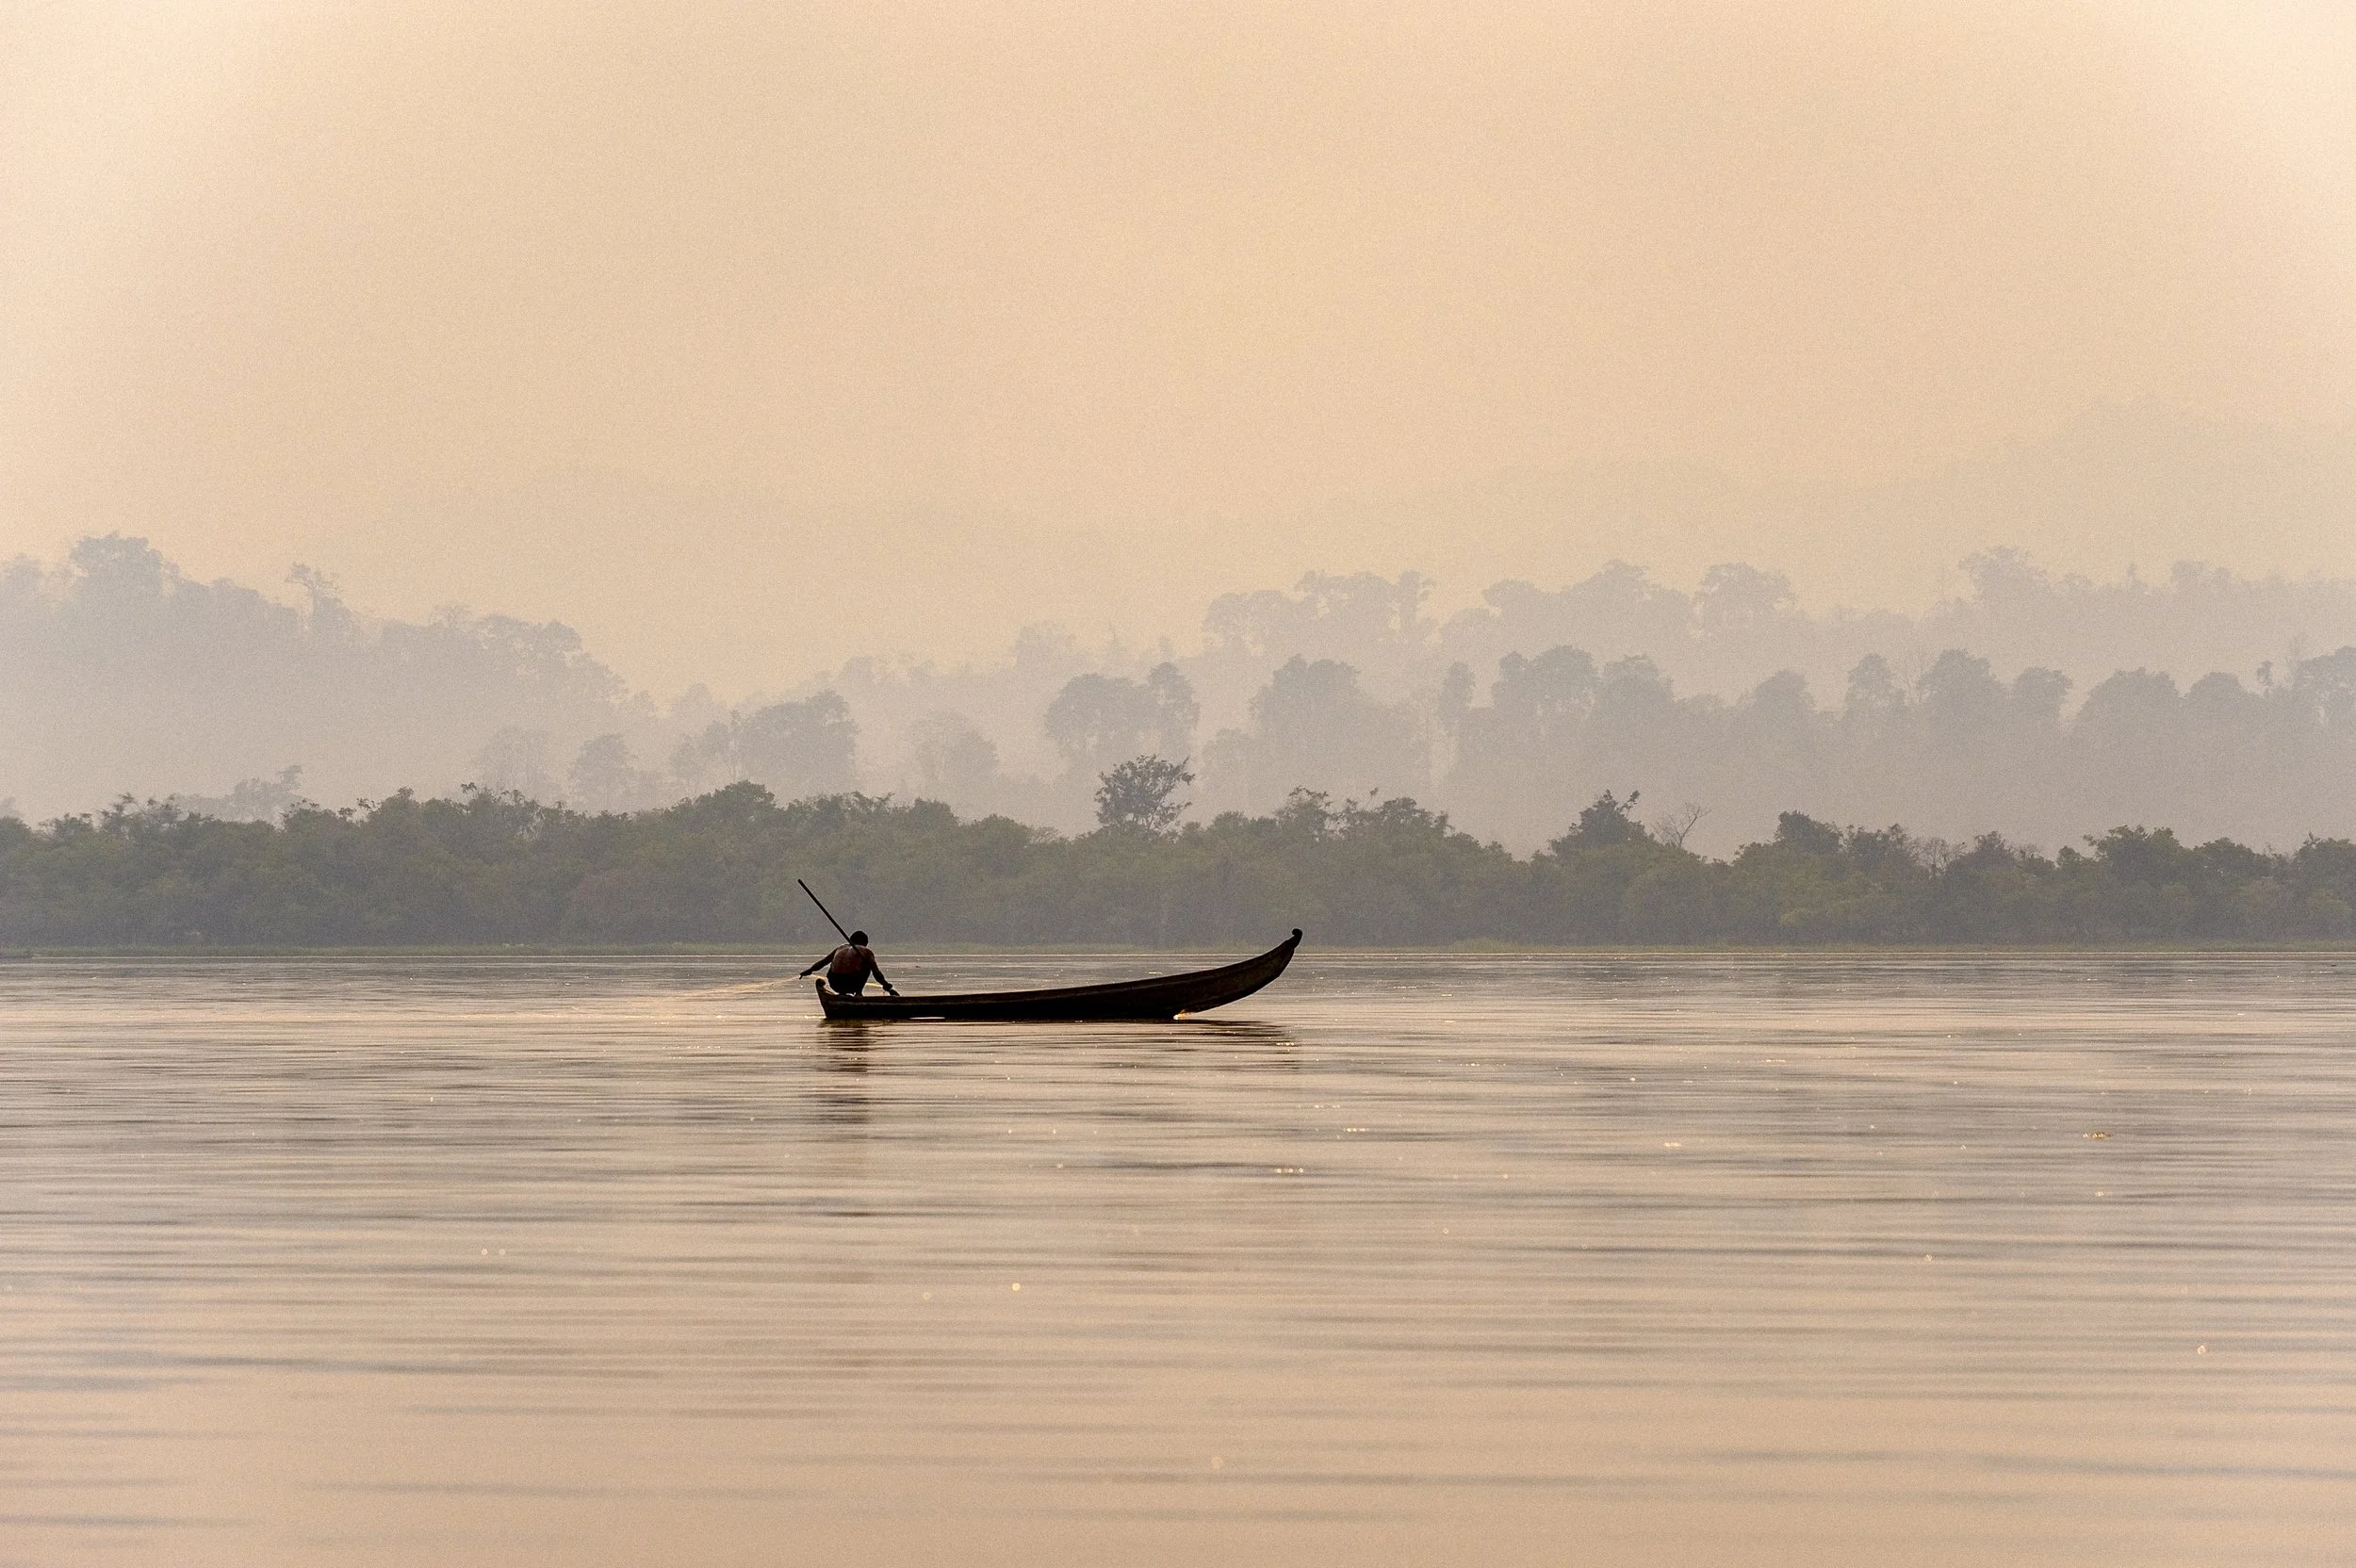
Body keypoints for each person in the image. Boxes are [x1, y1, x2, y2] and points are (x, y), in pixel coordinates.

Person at [799, 930, 898, 997]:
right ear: (865, 943)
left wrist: (810, 970)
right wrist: (886, 984)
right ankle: (858, 994)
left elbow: (822, 963)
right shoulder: (866, 951)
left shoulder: (840, 948)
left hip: (835, 984)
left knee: (833, 966)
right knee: (867, 966)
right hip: (852, 983)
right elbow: (877, 973)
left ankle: (842, 994)